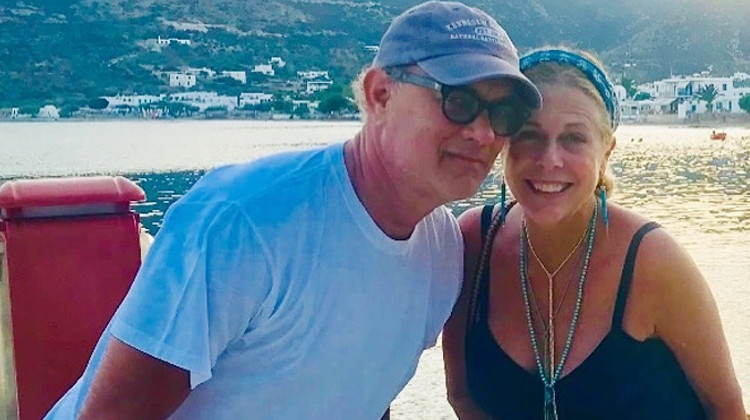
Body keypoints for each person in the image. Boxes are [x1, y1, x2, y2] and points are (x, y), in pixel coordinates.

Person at [45, 2, 542, 419]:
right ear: (380, 94)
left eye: (504, 114)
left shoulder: (443, 250)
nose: (484, 133)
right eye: (458, 101)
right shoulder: (245, 222)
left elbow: (364, 391)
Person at [443, 47, 746, 419]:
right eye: (529, 135)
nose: (549, 159)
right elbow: (462, 395)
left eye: (574, 138)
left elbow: (727, 410)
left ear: (606, 152)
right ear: (503, 142)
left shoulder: (653, 262)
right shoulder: (474, 243)